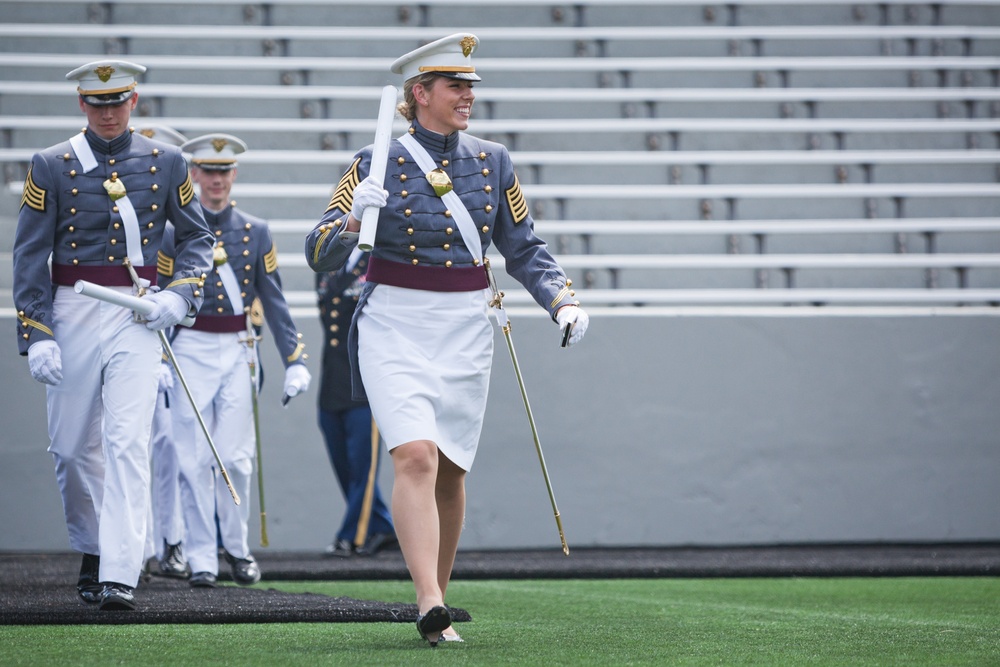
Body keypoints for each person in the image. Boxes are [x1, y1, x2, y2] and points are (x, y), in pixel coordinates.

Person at [304, 34, 589, 646]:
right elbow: (316, 252)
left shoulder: (493, 160)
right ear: (420, 93)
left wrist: (561, 299)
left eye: (470, 87)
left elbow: (523, 247)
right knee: (415, 456)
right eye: (455, 86)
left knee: (452, 470)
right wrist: (354, 220)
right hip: (393, 320)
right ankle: (429, 601)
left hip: (464, 323)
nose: (467, 96)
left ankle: (437, 598)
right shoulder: (372, 159)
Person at [13, 60, 214, 611]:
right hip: (71, 306)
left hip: (137, 309)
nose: (109, 113)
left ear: (134, 101)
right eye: (98, 104)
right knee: (73, 448)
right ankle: (94, 546)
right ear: (82, 105)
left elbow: (197, 238)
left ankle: (121, 571)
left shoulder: (167, 161)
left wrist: (179, 295)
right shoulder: (50, 164)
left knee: (128, 442)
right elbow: (30, 253)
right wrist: (38, 331)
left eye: (118, 102)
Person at [161, 133, 311, 589]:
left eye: (224, 172)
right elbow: (164, 296)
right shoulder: (174, 232)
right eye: (208, 171)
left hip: (239, 349)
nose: (216, 180)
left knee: (236, 459)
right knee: (191, 460)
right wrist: (161, 357)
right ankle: (203, 558)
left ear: (234, 175)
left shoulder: (256, 230)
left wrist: (294, 359)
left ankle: (238, 548)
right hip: (190, 347)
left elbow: (275, 299)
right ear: (194, 175)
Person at [135, 125, 192, 581]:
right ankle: (135, 544)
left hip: (167, 351)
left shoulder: (177, 231)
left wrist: (164, 354)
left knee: (168, 448)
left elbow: (176, 296)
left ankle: (170, 541)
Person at [316, 250, 395, 558]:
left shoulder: (378, 259)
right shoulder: (327, 260)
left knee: (364, 467)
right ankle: (383, 526)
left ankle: (353, 536)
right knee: (344, 465)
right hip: (332, 379)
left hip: (365, 382)